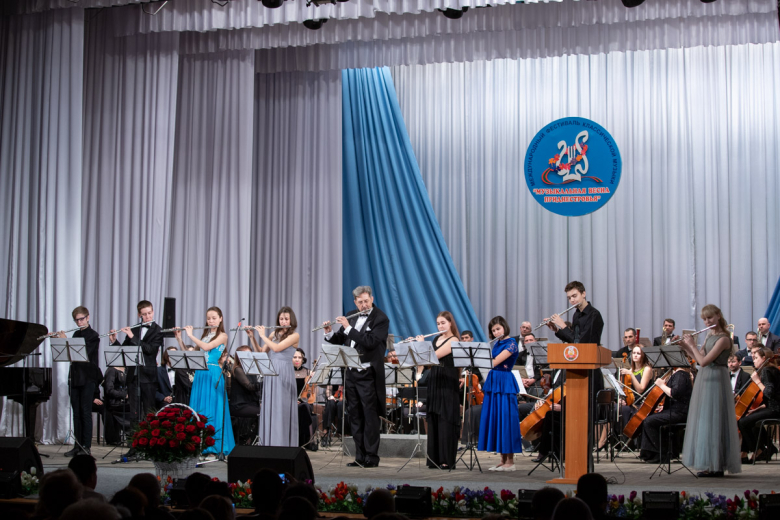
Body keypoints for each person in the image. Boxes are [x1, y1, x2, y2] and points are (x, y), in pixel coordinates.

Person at [323, 285, 390, 467]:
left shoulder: (381, 318)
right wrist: (329, 332)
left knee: (370, 416)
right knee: (355, 416)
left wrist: (348, 328)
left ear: (372, 299)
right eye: (360, 302)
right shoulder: (352, 315)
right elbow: (341, 339)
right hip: (351, 373)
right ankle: (359, 456)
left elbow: (370, 342)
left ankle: (371, 457)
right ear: (355, 302)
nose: (364, 305)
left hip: (368, 373)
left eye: (366, 301)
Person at [679, 304, 741, 477]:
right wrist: (685, 347)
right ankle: (709, 463)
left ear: (718, 316)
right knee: (705, 421)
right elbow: (698, 358)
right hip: (705, 378)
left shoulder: (724, 339)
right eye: (705, 319)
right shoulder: (709, 335)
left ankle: (717, 465)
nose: (707, 322)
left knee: (715, 421)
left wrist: (692, 344)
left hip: (716, 379)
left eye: (710, 318)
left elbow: (704, 361)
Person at [177, 307, 235, 457]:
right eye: (208, 318)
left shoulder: (223, 335)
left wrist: (191, 335)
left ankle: (213, 447)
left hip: (213, 373)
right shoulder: (205, 336)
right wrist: (179, 338)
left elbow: (207, 347)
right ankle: (199, 445)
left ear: (221, 319)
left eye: (214, 318)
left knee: (213, 409)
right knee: (200, 409)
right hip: (201, 374)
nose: (211, 321)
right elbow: (191, 354)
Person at [410, 311, 460, 469]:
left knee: (445, 418)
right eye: (438, 323)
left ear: (450, 323)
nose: (440, 326)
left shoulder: (454, 340)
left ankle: (446, 459)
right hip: (435, 379)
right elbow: (424, 363)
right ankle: (434, 459)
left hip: (447, 380)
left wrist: (421, 344)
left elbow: (433, 356)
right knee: (434, 418)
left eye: (443, 323)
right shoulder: (436, 339)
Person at [247, 306, 300, 447]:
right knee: (271, 408)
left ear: (291, 320)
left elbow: (277, 348)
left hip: (284, 373)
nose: (283, 322)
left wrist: (262, 335)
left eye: (286, 319)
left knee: (282, 408)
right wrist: (252, 337)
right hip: (271, 373)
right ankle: (269, 444)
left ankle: (282, 444)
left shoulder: (295, 335)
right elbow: (261, 352)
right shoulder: (273, 334)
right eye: (281, 319)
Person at [56, 306, 102, 457]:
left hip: (88, 378)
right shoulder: (76, 334)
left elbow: (84, 354)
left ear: (88, 317)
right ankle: (77, 446)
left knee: (85, 412)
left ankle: (86, 447)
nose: (79, 322)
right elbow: (69, 355)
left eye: (82, 319)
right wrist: (60, 341)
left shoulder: (94, 336)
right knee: (76, 413)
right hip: (75, 377)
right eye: (77, 320)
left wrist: (66, 341)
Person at [478, 316, 523, 471]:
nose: (496, 332)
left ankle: (510, 461)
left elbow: (495, 362)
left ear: (504, 327)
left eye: (498, 329)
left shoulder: (512, 343)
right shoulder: (497, 343)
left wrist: (479, 357)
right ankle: (502, 460)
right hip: (494, 381)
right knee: (496, 419)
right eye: (493, 330)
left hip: (504, 382)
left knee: (506, 419)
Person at [109, 300, 163, 419]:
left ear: (153, 312)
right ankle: (134, 432)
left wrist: (133, 337)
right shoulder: (134, 329)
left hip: (148, 377)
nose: (148, 316)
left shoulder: (158, 331)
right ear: (139, 315)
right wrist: (114, 341)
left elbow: (150, 350)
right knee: (134, 413)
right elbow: (124, 350)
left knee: (149, 412)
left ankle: (148, 432)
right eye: (144, 314)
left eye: (149, 313)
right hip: (133, 376)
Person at [636, 365, 692, 463]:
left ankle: (657, 455)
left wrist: (661, 385)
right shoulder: (680, 374)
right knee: (652, 418)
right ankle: (663, 453)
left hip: (679, 413)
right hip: (677, 411)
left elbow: (674, 393)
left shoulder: (680, 375)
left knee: (649, 421)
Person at [737, 346, 780, 463]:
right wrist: (757, 409)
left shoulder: (766, 371)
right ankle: (764, 449)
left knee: (743, 422)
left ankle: (759, 450)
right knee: (749, 420)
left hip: (775, 410)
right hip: (774, 407)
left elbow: (769, 393)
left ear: (764, 358)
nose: (754, 361)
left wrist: (757, 381)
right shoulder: (773, 369)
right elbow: (774, 398)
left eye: (756, 358)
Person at [618, 345, 653, 431]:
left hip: (639, 404)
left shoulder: (647, 369)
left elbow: (640, 389)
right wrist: (621, 399)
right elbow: (626, 389)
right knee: (614, 408)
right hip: (630, 401)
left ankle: (626, 435)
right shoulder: (631, 370)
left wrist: (631, 374)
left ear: (643, 355)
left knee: (622, 410)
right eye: (634, 353)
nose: (635, 355)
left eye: (638, 353)